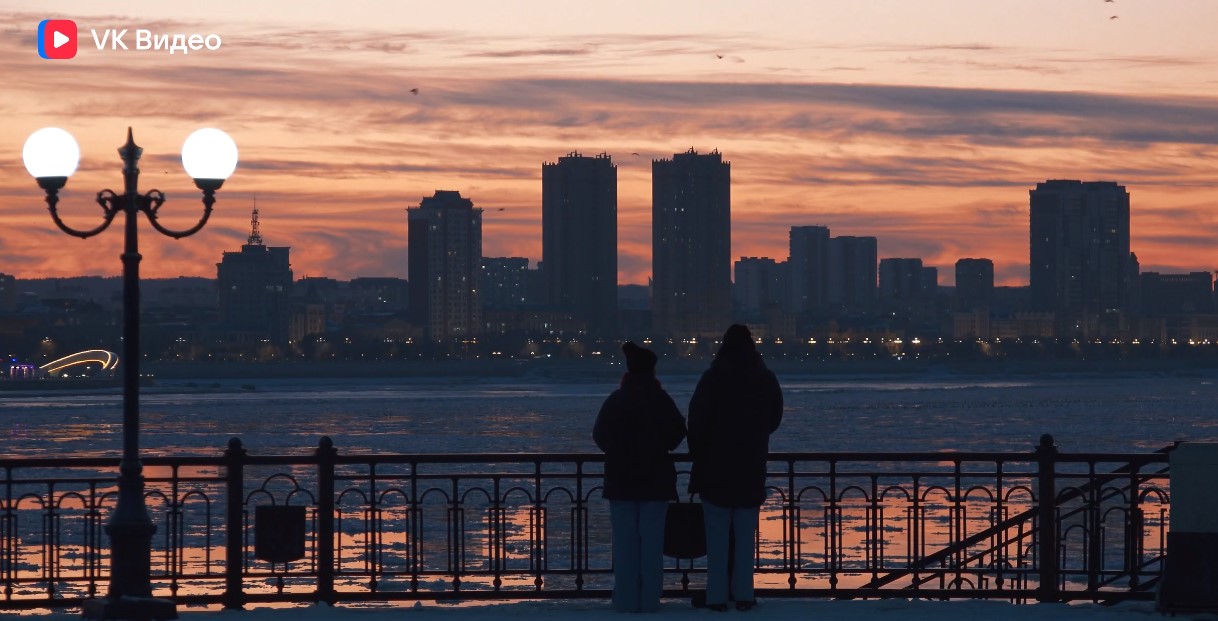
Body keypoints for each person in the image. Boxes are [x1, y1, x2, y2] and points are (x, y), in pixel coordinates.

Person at [687, 324, 783, 612]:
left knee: (716, 540)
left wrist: (701, 452)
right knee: (744, 539)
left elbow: (696, 421)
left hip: (714, 470)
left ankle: (716, 597)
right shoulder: (764, 378)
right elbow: (774, 419)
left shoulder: (712, 378)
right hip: (750, 469)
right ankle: (744, 595)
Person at [593, 342, 687, 613]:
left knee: (625, 548)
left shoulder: (616, 400)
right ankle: (649, 600)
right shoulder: (660, 399)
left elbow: (599, 435)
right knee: (652, 547)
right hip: (655, 483)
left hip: (620, 483)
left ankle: (625, 600)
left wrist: (618, 451)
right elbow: (677, 433)